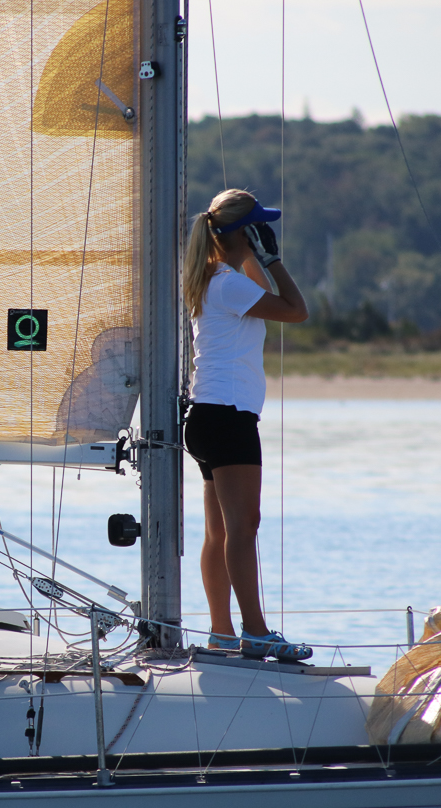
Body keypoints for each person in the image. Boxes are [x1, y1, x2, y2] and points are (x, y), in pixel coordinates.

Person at [182, 188, 313, 661]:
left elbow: (258, 290)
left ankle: (221, 632)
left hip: (206, 417)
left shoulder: (214, 277)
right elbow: (295, 310)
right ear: (244, 233)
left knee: (220, 531)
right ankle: (254, 632)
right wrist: (274, 260)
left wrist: (251, 254)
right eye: (258, 227)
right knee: (244, 527)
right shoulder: (230, 285)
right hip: (229, 417)